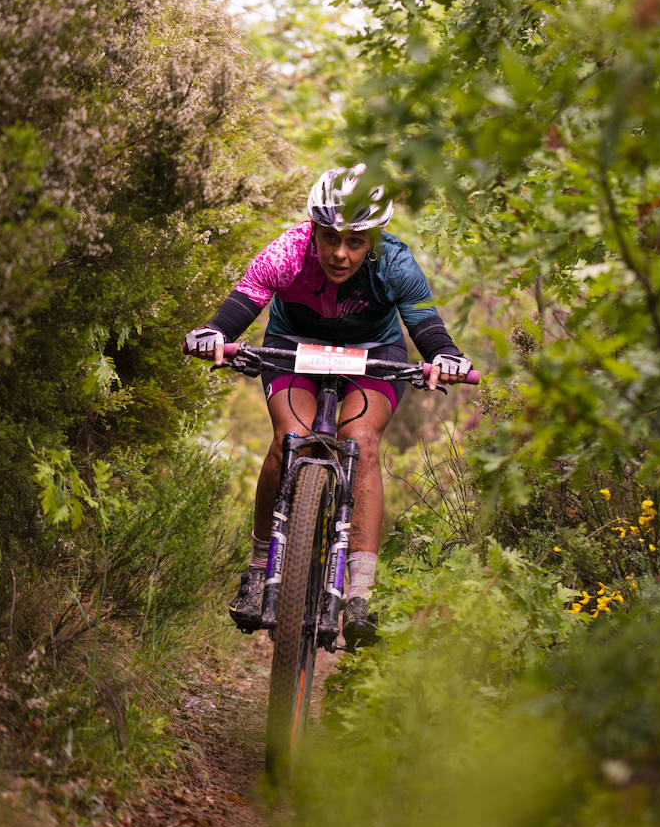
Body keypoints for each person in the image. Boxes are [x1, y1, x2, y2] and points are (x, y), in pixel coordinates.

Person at [185, 164, 470, 649]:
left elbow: (426, 325)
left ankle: (360, 590)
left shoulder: (396, 263)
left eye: (356, 242)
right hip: (293, 346)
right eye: (330, 238)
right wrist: (215, 334)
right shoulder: (287, 253)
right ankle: (259, 569)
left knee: (361, 441)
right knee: (288, 440)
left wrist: (445, 356)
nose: (340, 253)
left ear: (374, 240)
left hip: (373, 354)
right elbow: (241, 304)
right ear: (313, 230)